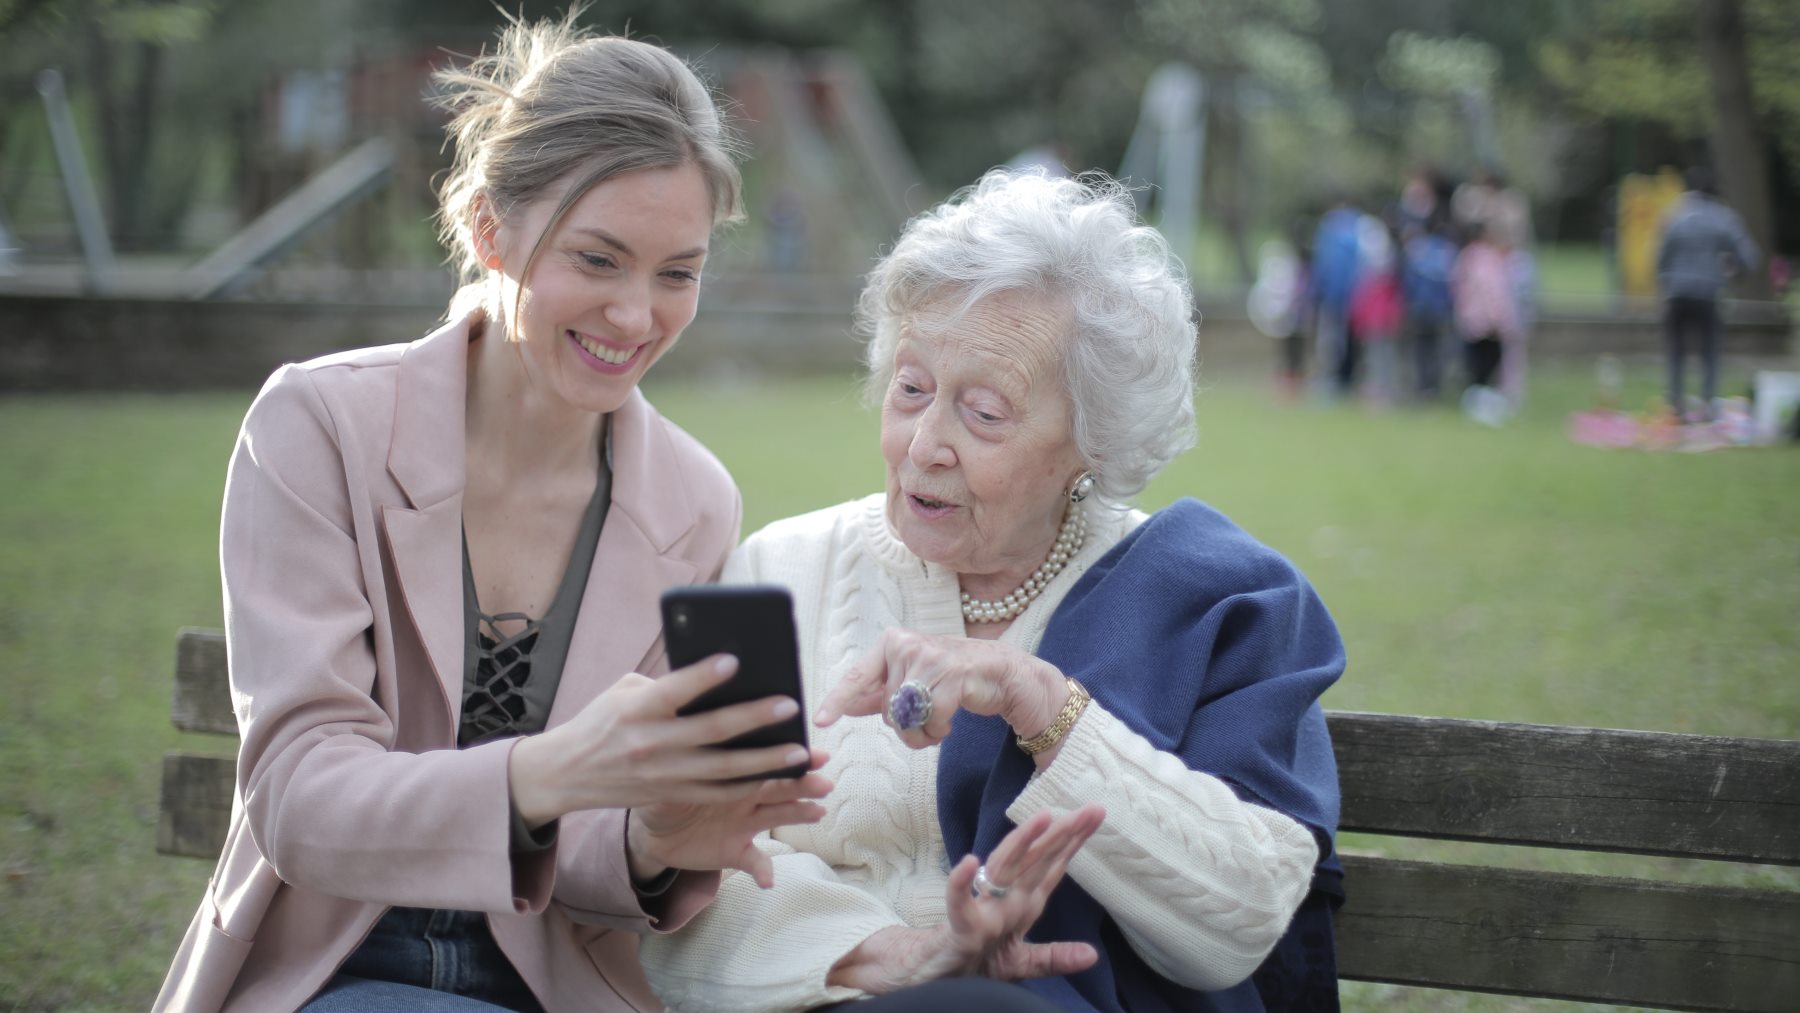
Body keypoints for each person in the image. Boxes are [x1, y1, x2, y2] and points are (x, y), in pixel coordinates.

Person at [155, 15, 832, 1012]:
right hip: (327, 971)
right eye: (597, 260)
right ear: (487, 228)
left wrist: (653, 836)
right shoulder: (318, 425)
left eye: (676, 272)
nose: (637, 316)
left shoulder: (693, 499)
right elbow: (299, 796)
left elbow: (593, 849)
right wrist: (547, 770)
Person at [639, 170, 1346, 1011]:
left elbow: (1243, 918)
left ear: (1094, 438)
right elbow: (681, 874)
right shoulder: (783, 570)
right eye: (910, 389)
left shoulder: (1215, 600)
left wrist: (1042, 702)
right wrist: (888, 953)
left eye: (983, 411)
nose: (925, 444)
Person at [1655, 165, 1761, 422]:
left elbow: (1661, 259)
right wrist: (1732, 273)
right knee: (1710, 352)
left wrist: (1668, 281)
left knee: (1676, 352)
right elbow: (1750, 258)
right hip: (1708, 293)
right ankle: (1708, 406)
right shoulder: (1723, 218)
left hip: (1677, 294)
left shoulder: (1673, 215)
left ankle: (1676, 405)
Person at [1451, 222, 1520, 425]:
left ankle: (1478, 402)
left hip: (1471, 321)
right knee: (1486, 365)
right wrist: (1498, 318)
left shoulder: (1464, 258)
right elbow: (1493, 292)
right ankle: (1481, 405)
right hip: (1487, 323)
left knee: (1476, 365)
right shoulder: (1486, 260)